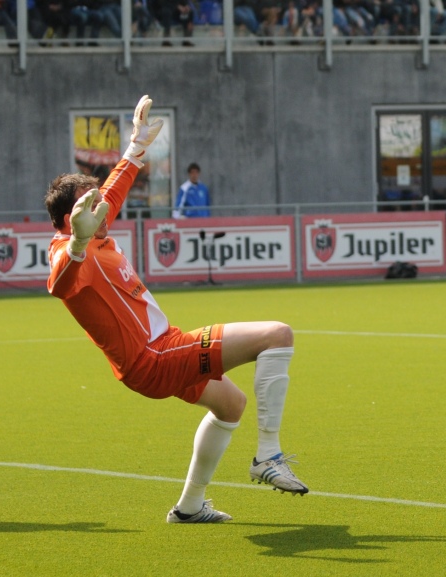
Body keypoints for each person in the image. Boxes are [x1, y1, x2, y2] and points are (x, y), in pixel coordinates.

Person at [45, 95, 309, 524]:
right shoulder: (73, 251)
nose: (103, 206)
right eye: (91, 204)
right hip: (154, 359)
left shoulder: (94, 229)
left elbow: (112, 190)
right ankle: (268, 456)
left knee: (231, 404)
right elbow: (59, 284)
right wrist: (75, 243)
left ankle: (188, 508)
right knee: (277, 335)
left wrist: (134, 147)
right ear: (68, 220)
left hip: (162, 350)